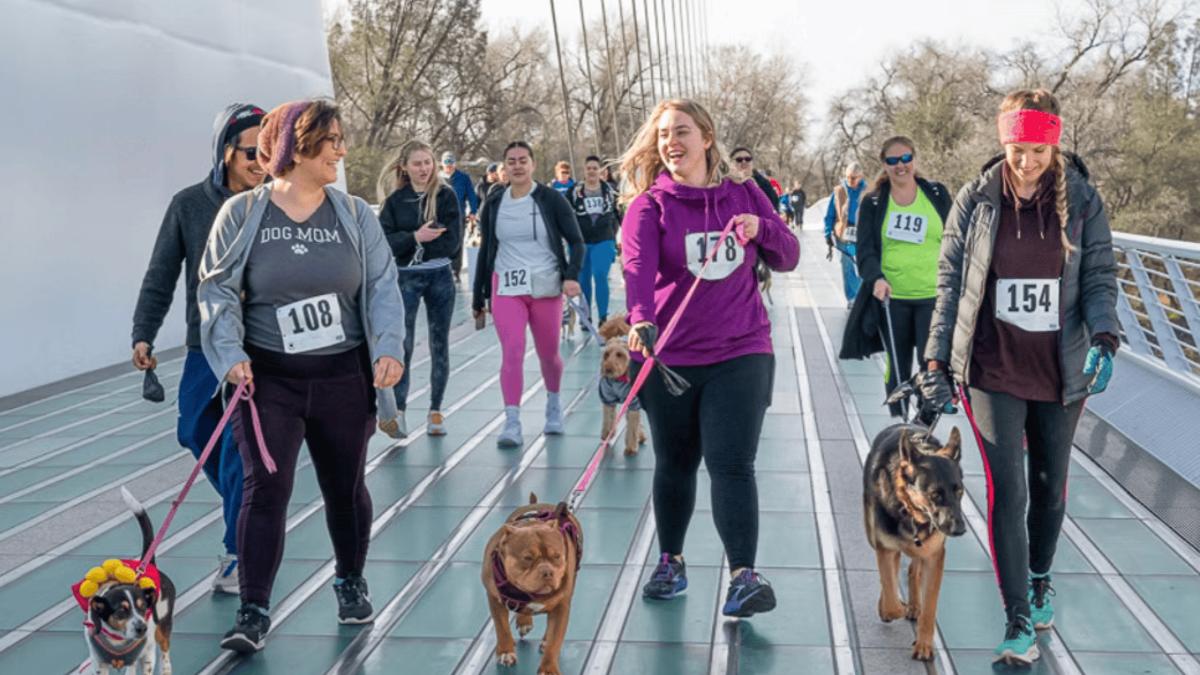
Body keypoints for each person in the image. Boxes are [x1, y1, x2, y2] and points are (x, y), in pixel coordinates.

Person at [919, 89, 1118, 665]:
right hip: (992, 366)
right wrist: (936, 360)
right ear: (1001, 141)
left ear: (1053, 144)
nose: (1026, 161)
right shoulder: (976, 200)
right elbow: (951, 284)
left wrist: (1105, 336)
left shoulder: (1081, 201)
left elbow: (1101, 276)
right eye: (1015, 148)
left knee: (1048, 486)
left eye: (1036, 149)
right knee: (1007, 488)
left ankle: (1039, 577)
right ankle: (1017, 620)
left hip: (1061, 370)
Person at [198, 99, 406, 653]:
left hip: (343, 376)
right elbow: (215, 290)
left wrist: (389, 347)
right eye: (332, 139)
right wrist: (229, 354)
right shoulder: (242, 214)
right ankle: (253, 609)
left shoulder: (355, 214)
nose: (342, 149)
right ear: (298, 144)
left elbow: (383, 284)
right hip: (268, 380)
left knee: (345, 486)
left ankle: (350, 581)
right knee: (266, 488)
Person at [621, 99, 799, 618]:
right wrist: (640, 319)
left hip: (741, 352)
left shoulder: (744, 194)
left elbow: (786, 256)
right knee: (675, 464)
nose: (670, 143)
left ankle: (743, 576)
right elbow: (638, 268)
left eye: (681, 131)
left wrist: (760, 229)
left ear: (706, 138)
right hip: (671, 358)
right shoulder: (649, 207)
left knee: (732, 462)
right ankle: (671, 561)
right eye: (662, 136)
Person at [130, 103, 265, 595]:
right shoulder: (188, 205)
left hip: (258, 348)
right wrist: (143, 332)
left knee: (234, 448)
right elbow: (161, 274)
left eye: (269, 151)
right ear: (226, 151)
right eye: (253, 151)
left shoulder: (277, 204)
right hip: (201, 344)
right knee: (192, 431)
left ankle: (237, 548)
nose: (262, 160)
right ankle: (251, 508)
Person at [472, 141, 585, 447]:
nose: (517, 166)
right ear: (504, 168)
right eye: (511, 161)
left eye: (523, 160)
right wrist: (477, 297)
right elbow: (486, 250)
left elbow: (577, 241)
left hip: (545, 286)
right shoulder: (494, 203)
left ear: (534, 164)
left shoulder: (550, 199)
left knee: (548, 354)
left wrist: (571, 276)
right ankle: (512, 422)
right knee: (513, 351)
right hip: (506, 285)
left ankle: (553, 405)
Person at [854, 136, 952, 417]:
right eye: (893, 161)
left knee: (930, 364)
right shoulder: (873, 202)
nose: (901, 166)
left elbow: (955, 239)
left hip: (932, 296)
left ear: (915, 159)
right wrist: (876, 279)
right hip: (892, 297)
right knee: (897, 365)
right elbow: (865, 250)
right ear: (884, 165)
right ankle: (898, 420)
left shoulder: (935, 193)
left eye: (906, 158)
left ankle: (924, 423)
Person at [375, 139, 463, 438]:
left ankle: (435, 410)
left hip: (439, 276)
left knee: (440, 344)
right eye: (417, 163)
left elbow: (452, 242)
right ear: (405, 167)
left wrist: (425, 241)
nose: (423, 169)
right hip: (406, 278)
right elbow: (384, 242)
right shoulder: (394, 202)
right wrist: (415, 236)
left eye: (427, 162)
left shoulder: (446, 197)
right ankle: (399, 410)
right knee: (405, 344)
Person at [567, 155, 621, 325]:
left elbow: (621, 215)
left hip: (604, 239)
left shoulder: (611, 192)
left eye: (595, 168)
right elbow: (564, 217)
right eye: (588, 168)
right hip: (581, 241)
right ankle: (586, 315)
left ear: (600, 172)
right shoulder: (574, 193)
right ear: (584, 171)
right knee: (583, 279)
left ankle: (603, 316)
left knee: (600, 275)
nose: (592, 171)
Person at [824, 162, 865, 308]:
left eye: (854, 177)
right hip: (844, 234)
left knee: (865, 266)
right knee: (847, 266)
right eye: (848, 177)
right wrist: (827, 233)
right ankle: (852, 298)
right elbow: (829, 214)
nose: (850, 181)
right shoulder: (838, 192)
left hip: (863, 235)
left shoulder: (868, 192)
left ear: (860, 177)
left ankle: (862, 294)